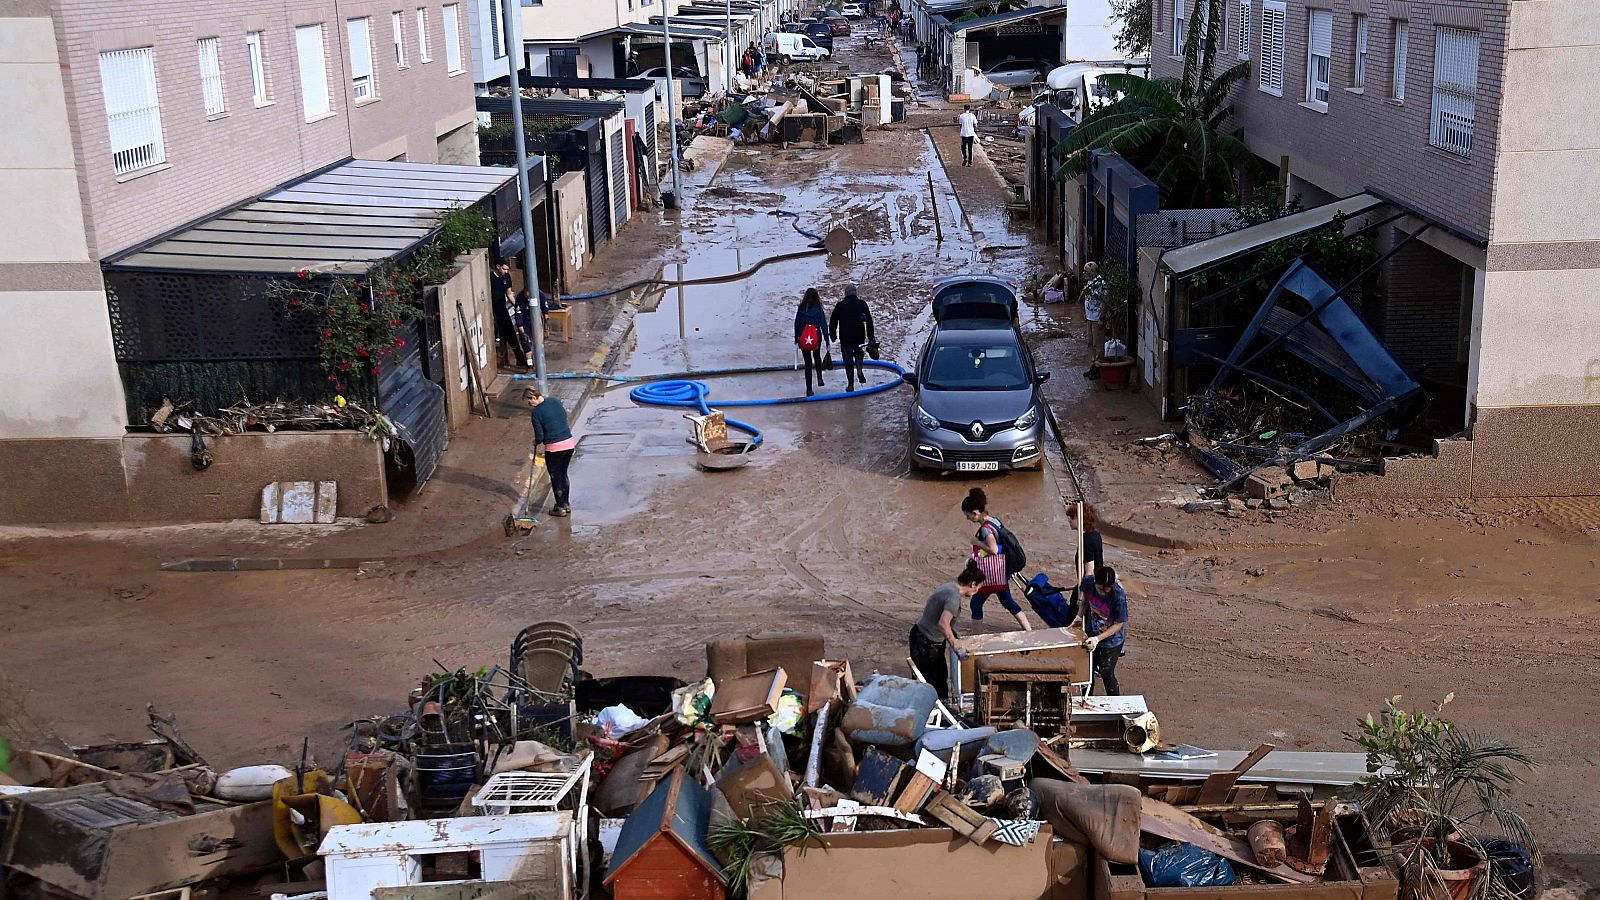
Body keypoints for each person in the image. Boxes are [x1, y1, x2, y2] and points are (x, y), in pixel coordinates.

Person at [960, 488, 1034, 630]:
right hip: (1001, 572)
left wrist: (977, 543)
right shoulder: (995, 521)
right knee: (1008, 602)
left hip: (990, 575)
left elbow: (993, 550)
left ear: (975, 513)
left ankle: (977, 636)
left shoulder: (985, 529)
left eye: (967, 515)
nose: (967, 518)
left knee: (975, 604)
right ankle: (1028, 630)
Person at [910, 560, 985, 700]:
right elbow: (943, 623)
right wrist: (954, 642)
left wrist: (954, 636)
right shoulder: (953, 597)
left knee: (936, 681)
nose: (977, 592)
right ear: (972, 584)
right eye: (978, 588)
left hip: (923, 638)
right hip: (926, 644)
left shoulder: (949, 587)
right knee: (932, 687)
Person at [1078, 566, 1129, 695]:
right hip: (1091, 632)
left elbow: (1118, 624)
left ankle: (1114, 703)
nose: (1104, 592)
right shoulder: (1088, 582)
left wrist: (1098, 639)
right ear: (1095, 582)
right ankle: (1087, 700)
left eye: (1107, 589)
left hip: (1112, 640)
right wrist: (1078, 618)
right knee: (1087, 670)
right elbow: (1084, 601)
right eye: (1101, 589)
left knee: (1106, 671)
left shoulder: (1118, 597)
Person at [526, 387, 576, 517]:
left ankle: (560, 507)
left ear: (534, 397)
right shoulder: (555, 401)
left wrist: (536, 442)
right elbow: (564, 416)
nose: (529, 405)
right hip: (569, 443)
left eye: (529, 401)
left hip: (554, 448)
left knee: (555, 477)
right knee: (563, 474)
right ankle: (566, 503)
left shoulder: (536, 413)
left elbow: (540, 436)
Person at [829, 283, 877, 392]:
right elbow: (869, 321)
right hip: (859, 335)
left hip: (845, 337)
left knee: (848, 360)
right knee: (859, 353)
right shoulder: (862, 304)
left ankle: (850, 384)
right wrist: (871, 337)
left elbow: (833, 321)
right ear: (855, 293)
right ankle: (859, 370)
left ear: (845, 294)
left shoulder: (840, 305)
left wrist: (832, 335)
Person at [794, 287, 830, 396]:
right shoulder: (818, 309)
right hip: (816, 338)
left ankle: (809, 389)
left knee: (808, 363)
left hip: (803, 338)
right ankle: (819, 377)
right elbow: (823, 325)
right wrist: (827, 341)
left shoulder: (801, 309)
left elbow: (796, 323)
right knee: (817, 356)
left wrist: (796, 338)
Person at [491, 261, 528, 368]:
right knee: (498, 334)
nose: (506, 271)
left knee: (510, 333)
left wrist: (517, 306)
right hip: (493, 309)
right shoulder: (491, 278)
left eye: (507, 269)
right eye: (504, 269)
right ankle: (500, 360)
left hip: (502, 309)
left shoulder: (506, 277)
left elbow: (509, 293)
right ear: (498, 266)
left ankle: (520, 358)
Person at [1081, 261, 1106, 378]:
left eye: (1086, 271)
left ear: (1093, 272)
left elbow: (1104, 301)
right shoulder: (1089, 282)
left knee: (1098, 343)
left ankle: (1099, 367)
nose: (1083, 273)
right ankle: (1093, 365)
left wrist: (1102, 318)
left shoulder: (1100, 284)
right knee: (1091, 342)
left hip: (1097, 318)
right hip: (1090, 317)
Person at [1067, 503, 1103, 581]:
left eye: (1072, 517)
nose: (1069, 520)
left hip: (1090, 587)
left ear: (1081, 519)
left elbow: (1089, 573)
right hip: (1097, 583)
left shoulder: (1087, 541)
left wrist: (1084, 590)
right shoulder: (1095, 534)